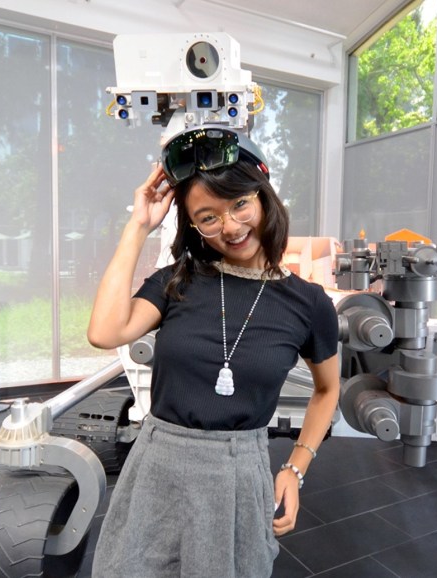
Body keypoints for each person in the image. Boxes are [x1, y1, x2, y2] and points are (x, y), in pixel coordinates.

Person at [87, 126, 340, 577]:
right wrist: (138, 225)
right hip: (157, 462)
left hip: (238, 473)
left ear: (263, 198)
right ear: (193, 226)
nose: (230, 227)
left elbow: (327, 391)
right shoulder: (176, 281)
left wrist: (295, 469)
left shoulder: (309, 304)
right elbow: (105, 331)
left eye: (240, 204)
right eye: (208, 217)